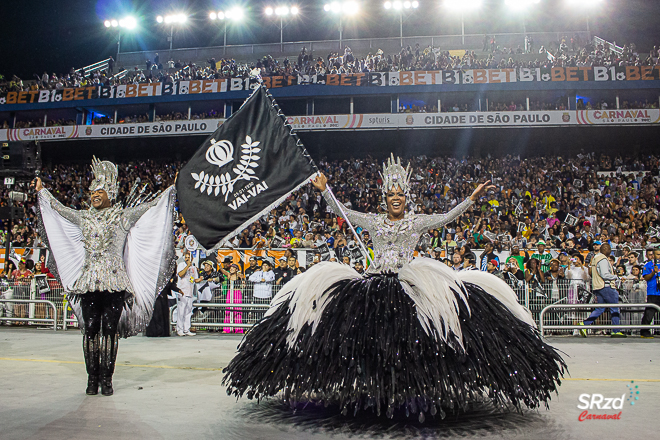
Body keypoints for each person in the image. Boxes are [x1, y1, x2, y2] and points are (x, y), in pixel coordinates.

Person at [223, 155, 565, 420]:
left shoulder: (418, 222)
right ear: (384, 197)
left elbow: (446, 217)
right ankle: (370, 386)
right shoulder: (371, 221)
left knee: (413, 338)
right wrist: (324, 189)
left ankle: (411, 386)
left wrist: (472, 199)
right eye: (390, 194)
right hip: (371, 285)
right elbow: (342, 211)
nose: (395, 199)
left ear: (407, 196)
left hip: (410, 284)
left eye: (400, 194)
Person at [33, 157, 176, 395]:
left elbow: (151, 206)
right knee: (90, 329)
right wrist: (43, 192)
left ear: (109, 193)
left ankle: (107, 380)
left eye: (99, 191)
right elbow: (61, 209)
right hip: (88, 281)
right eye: (92, 192)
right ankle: (92, 379)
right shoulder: (84, 217)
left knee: (110, 330)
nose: (94, 196)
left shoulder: (122, 217)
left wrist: (171, 188)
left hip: (115, 283)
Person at [580, 243, 626, 338]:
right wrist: (616, 277)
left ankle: (584, 324)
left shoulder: (595, 258)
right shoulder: (603, 259)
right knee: (614, 308)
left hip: (598, 286)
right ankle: (616, 330)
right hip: (606, 286)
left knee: (600, 308)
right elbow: (604, 274)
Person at [176, 251, 197, 337]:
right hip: (182, 291)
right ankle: (179, 329)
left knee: (188, 311)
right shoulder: (181, 265)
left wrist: (199, 279)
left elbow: (193, 279)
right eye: (186, 257)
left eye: (189, 257)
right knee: (181, 311)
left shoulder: (193, 268)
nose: (187, 259)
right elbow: (180, 274)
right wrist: (187, 266)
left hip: (190, 291)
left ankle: (186, 329)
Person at [640, 248, 660, 338]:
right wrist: (653, 273)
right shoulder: (648, 265)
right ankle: (644, 331)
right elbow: (646, 277)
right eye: (657, 254)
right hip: (653, 292)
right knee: (649, 312)